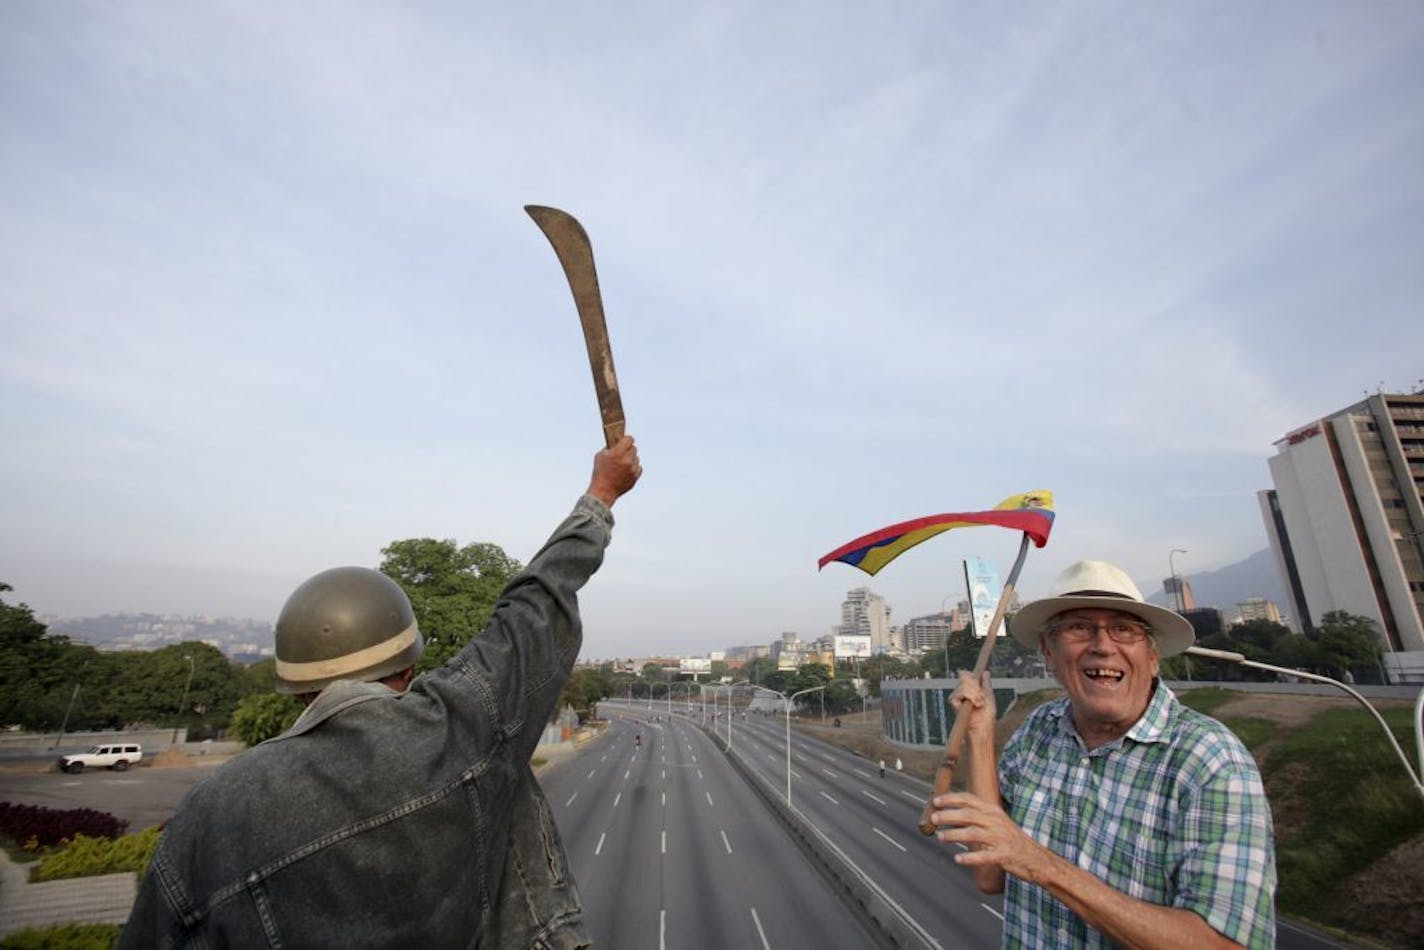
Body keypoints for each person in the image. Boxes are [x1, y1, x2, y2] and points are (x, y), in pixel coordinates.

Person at [121, 437, 642, 948]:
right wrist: (600, 495)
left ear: (297, 686)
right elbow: (534, 611)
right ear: (407, 667)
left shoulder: (210, 815)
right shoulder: (456, 730)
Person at [930, 560, 1275, 949]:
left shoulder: (1211, 761)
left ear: (1152, 654)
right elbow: (990, 876)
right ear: (1049, 651)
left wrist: (1041, 865)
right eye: (1079, 627)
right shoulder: (1039, 731)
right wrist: (979, 734)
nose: (1103, 646)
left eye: (1124, 629)